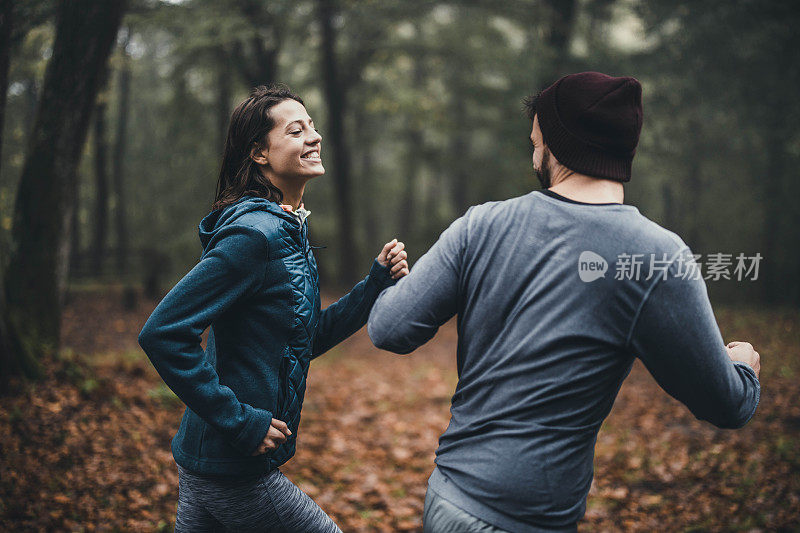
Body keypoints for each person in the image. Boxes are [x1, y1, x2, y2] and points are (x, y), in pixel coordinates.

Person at [367, 72, 761, 532]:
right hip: (527, 519)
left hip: (448, 500)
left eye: (536, 142)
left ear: (556, 145)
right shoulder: (656, 255)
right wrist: (743, 366)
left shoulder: (480, 225)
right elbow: (727, 404)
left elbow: (389, 328)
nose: (533, 153)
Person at [138, 84, 409, 532]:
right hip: (233, 465)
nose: (315, 137)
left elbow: (305, 339)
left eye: (314, 127)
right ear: (260, 153)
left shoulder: (288, 230)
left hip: (210, 457)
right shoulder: (254, 236)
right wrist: (241, 422)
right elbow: (163, 332)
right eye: (296, 130)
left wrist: (375, 283)